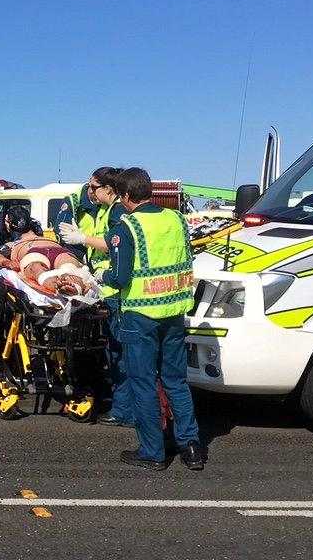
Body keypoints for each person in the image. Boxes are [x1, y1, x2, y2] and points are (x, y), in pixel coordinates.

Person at [100, 168, 206, 471]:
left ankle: (152, 452)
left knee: (143, 383)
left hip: (140, 315)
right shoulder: (176, 219)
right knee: (176, 380)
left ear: (126, 196)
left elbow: (119, 277)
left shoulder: (127, 226)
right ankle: (191, 446)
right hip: (174, 311)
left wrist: (102, 275)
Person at [59, 168, 134, 427]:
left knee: (120, 351)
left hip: (115, 289)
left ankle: (124, 410)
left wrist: (83, 238)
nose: (89, 191)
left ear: (109, 189)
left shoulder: (117, 211)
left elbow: (114, 244)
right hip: (106, 287)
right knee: (114, 350)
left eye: (94, 187)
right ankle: (120, 404)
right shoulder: (104, 210)